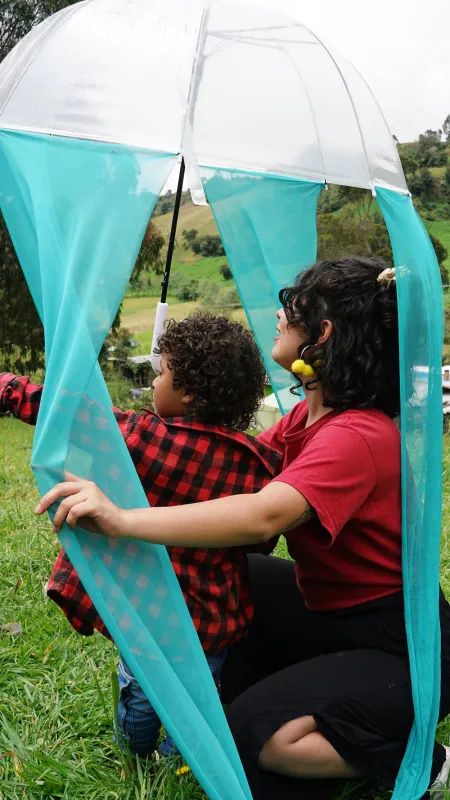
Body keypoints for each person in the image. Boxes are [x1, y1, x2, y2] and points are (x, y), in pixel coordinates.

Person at [35, 257, 450, 799]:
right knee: (233, 574)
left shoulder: (357, 436)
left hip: (404, 646)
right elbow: (226, 475)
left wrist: (122, 520)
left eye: (292, 308)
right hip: (333, 618)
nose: (279, 317)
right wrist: (114, 465)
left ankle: (427, 762)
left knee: (256, 740)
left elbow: (264, 513)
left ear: (321, 334)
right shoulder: (307, 418)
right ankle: (321, 693)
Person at [0, 312, 281, 761]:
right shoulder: (256, 461)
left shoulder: (142, 437)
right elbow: (259, 540)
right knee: (199, 698)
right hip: (214, 618)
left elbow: (69, 413)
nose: (153, 382)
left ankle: (134, 754)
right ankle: (180, 762)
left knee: (141, 692)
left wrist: (8, 389)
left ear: (187, 391)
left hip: (149, 615)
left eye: (162, 372)